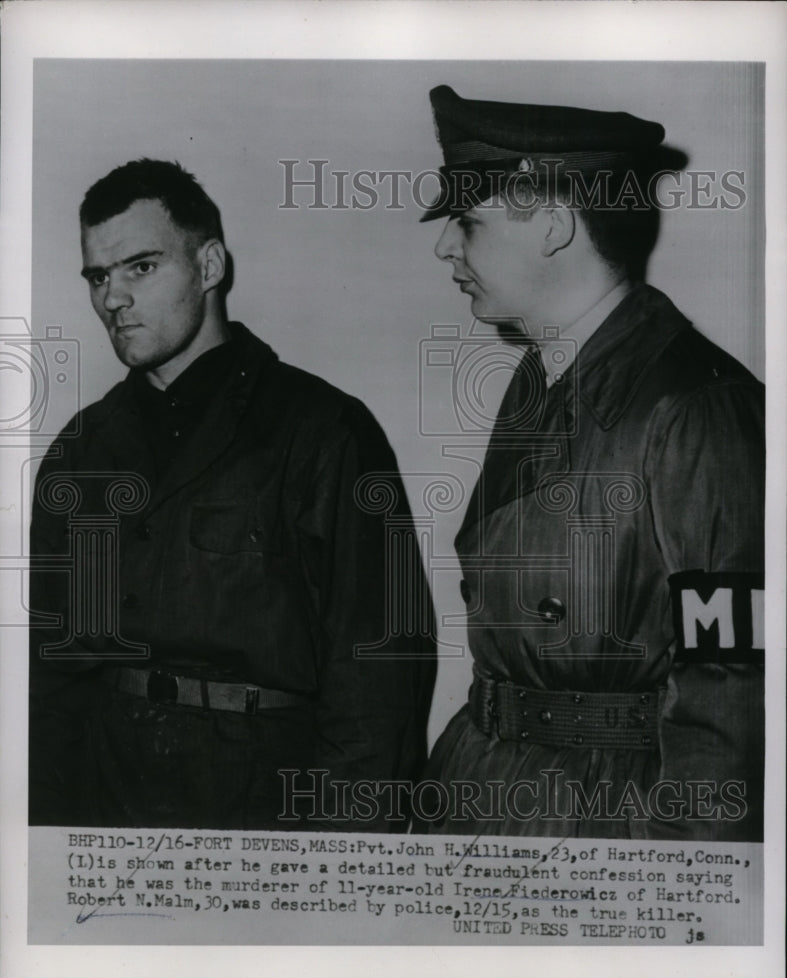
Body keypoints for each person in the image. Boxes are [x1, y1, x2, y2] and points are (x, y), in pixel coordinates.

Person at [29, 159, 436, 830]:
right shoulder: (82, 449)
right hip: (107, 798)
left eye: (140, 267)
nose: (112, 299)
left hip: (266, 803)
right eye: (98, 277)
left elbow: (380, 678)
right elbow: (46, 682)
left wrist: (342, 860)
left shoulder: (321, 430)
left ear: (210, 265)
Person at [418, 86, 764, 841]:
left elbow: (730, 683)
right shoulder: (538, 378)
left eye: (468, 223)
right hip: (484, 785)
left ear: (551, 225)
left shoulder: (697, 409)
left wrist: (694, 892)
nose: (447, 246)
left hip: (600, 816)